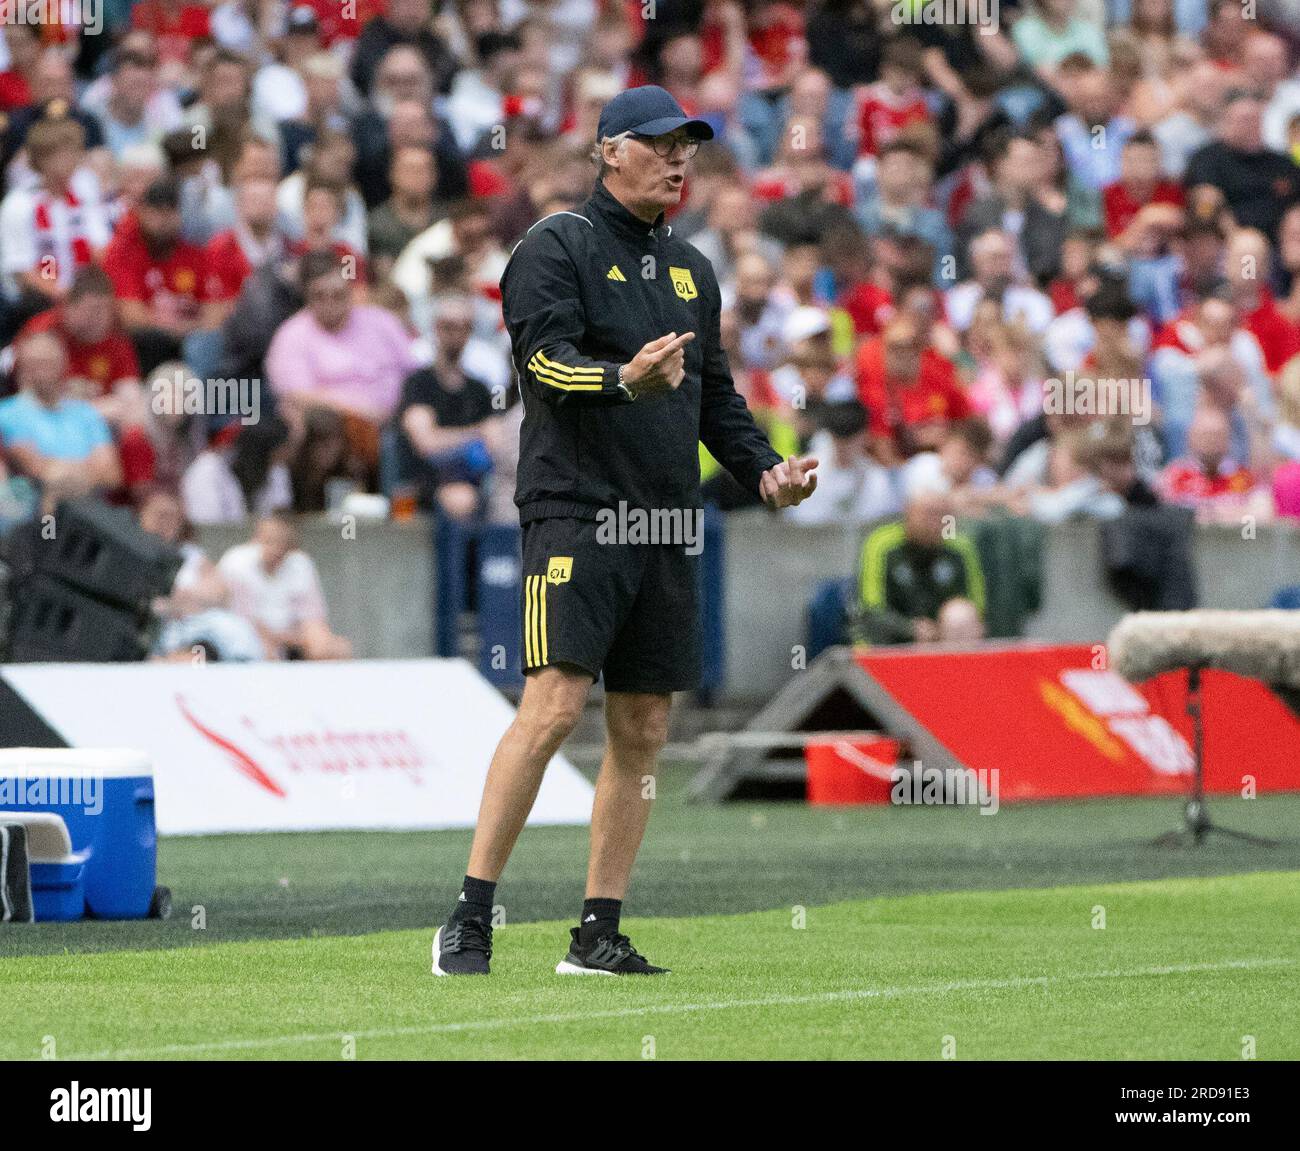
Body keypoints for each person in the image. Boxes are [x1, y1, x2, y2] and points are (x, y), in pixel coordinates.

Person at [431, 85, 816, 978]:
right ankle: (469, 913)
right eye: (660, 144)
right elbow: (541, 363)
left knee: (643, 726)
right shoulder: (554, 245)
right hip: (572, 510)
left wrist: (763, 468)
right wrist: (621, 383)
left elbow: (713, 396)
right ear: (610, 151)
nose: (679, 160)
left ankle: (596, 932)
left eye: (688, 146)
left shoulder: (693, 269)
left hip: (666, 519)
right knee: (556, 705)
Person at [851, 488, 986, 646]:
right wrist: (909, 628)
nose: (936, 522)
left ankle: (960, 669)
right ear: (909, 513)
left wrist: (940, 627)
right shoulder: (882, 544)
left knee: (960, 616)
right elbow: (870, 607)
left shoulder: (960, 548)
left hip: (943, 638)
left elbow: (977, 605)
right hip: (892, 638)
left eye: (943, 515)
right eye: (928, 514)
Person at [0, 331, 122, 503]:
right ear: (22, 366)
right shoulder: (6, 413)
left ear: (63, 364)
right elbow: (36, 468)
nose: (43, 370)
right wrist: (88, 470)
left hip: (91, 510)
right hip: (35, 509)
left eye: (50, 362)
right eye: (36, 363)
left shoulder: (86, 413)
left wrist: (62, 471)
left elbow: (111, 475)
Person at [218, 512, 352, 659]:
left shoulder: (301, 564)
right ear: (256, 538)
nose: (275, 548)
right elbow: (244, 621)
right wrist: (286, 639)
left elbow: (314, 618)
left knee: (336, 648)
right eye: (269, 541)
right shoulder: (236, 563)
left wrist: (315, 642)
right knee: (262, 649)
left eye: (282, 541)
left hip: (292, 637)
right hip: (251, 637)